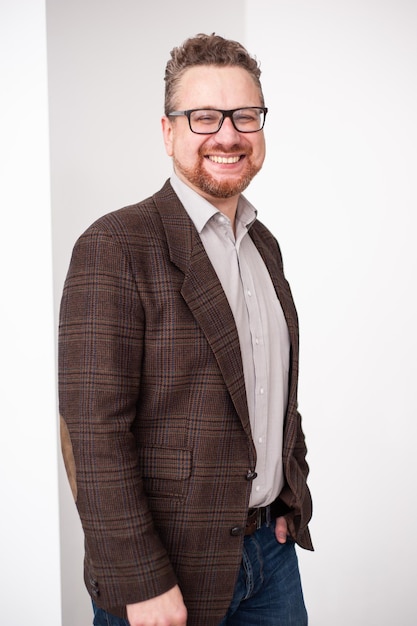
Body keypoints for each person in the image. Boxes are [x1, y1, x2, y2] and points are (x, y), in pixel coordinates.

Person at [59, 33, 313, 626]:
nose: (228, 135)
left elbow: (272, 393)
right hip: (166, 572)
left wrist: (289, 497)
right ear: (169, 131)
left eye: (245, 115)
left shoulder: (263, 246)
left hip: (269, 560)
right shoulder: (114, 245)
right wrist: (138, 579)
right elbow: (92, 433)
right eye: (204, 117)